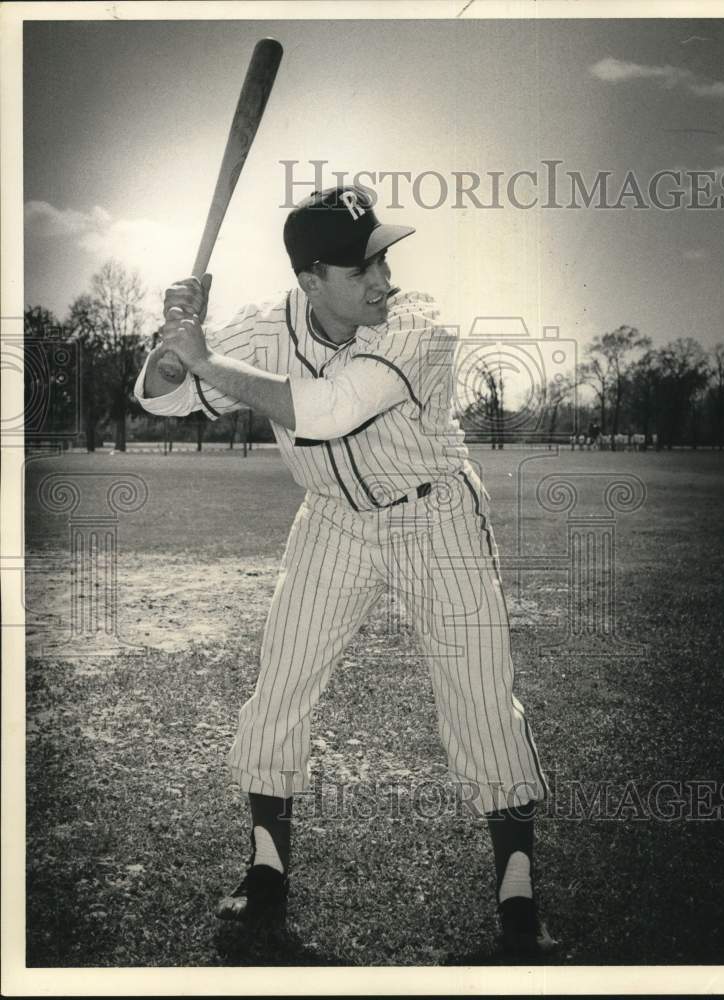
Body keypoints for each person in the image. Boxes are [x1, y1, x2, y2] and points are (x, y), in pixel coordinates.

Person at [135, 185, 555, 955]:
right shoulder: (266, 328)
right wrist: (172, 343)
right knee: (282, 682)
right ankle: (266, 870)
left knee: (480, 698)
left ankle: (518, 886)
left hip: (435, 516)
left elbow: (324, 409)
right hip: (331, 519)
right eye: (362, 268)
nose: (383, 280)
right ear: (311, 281)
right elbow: (163, 400)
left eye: (384, 259)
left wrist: (208, 359)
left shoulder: (418, 323)